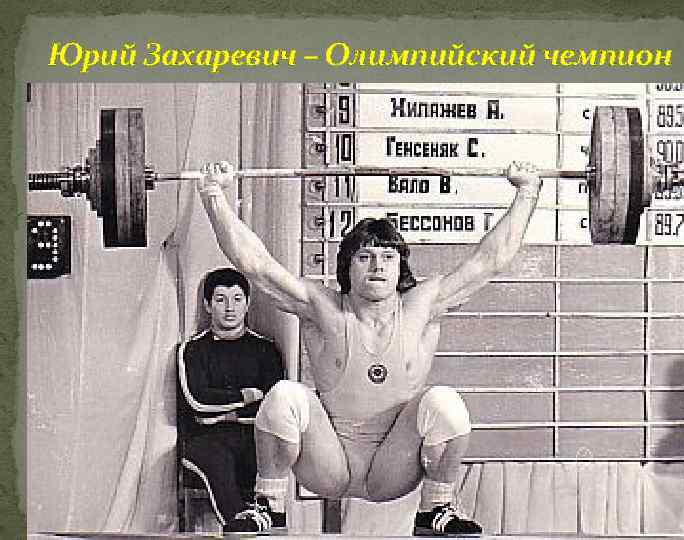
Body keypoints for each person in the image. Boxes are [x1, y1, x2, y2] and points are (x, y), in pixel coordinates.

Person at [197, 161, 542, 535]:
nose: (377, 266)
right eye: (365, 257)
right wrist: (213, 193)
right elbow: (256, 265)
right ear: (347, 267)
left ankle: (435, 507)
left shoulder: (422, 307)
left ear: (399, 267)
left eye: (387, 257)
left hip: (393, 466)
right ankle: (270, 505)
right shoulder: (323, 308)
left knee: (445, 402)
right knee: (284, 396)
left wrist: (527, 193)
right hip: (328, 462)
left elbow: (489, 261)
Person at [177, 267, 285, 533]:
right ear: (207, 305)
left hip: (254, 437)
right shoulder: (193, 349)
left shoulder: (265, 349)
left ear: (247, 304)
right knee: (215, 456)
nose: (229, 308)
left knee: (278, 450)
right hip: (207, 441)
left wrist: (225, 412)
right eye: (220, 299)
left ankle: (269, 520)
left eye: (237, 299)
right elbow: (197, 402)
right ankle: (241, 523)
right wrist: (245, 395)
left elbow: (273, 404)